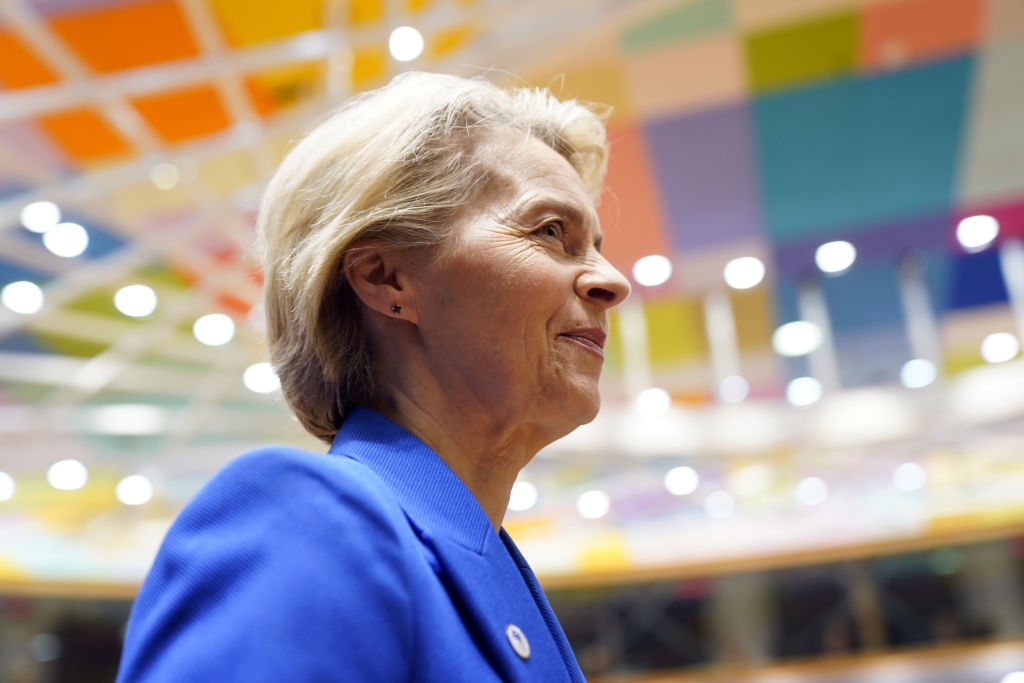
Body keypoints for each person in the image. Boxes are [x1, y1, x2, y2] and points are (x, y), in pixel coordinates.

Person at [115, 71, 630, 682]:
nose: (612, 281)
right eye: (551, 232)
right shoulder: (303, 524)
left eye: (595, 244)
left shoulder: (493, 567)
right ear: (386, 279)